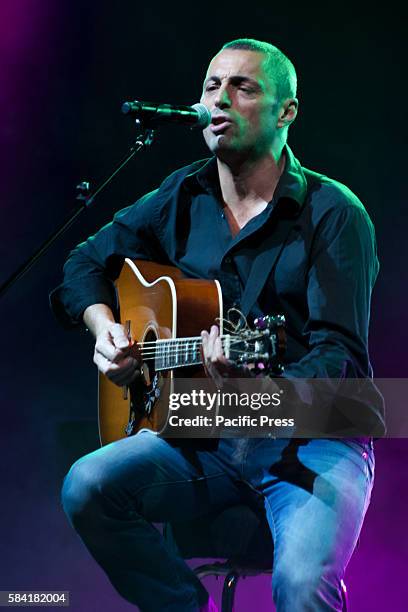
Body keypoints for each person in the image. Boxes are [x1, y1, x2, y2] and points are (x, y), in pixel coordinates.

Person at [50, 38, 385, 611]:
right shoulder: (183, 193)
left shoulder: (335, 213)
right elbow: (83, 263)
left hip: (314, 441)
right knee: (87, 485)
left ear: (287, 112)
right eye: (211, 86)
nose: (219, 99)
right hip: (204, 438)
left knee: (302, 589)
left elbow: (340, 362)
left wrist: (249, 392)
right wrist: (104, 326)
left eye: (242, 87)